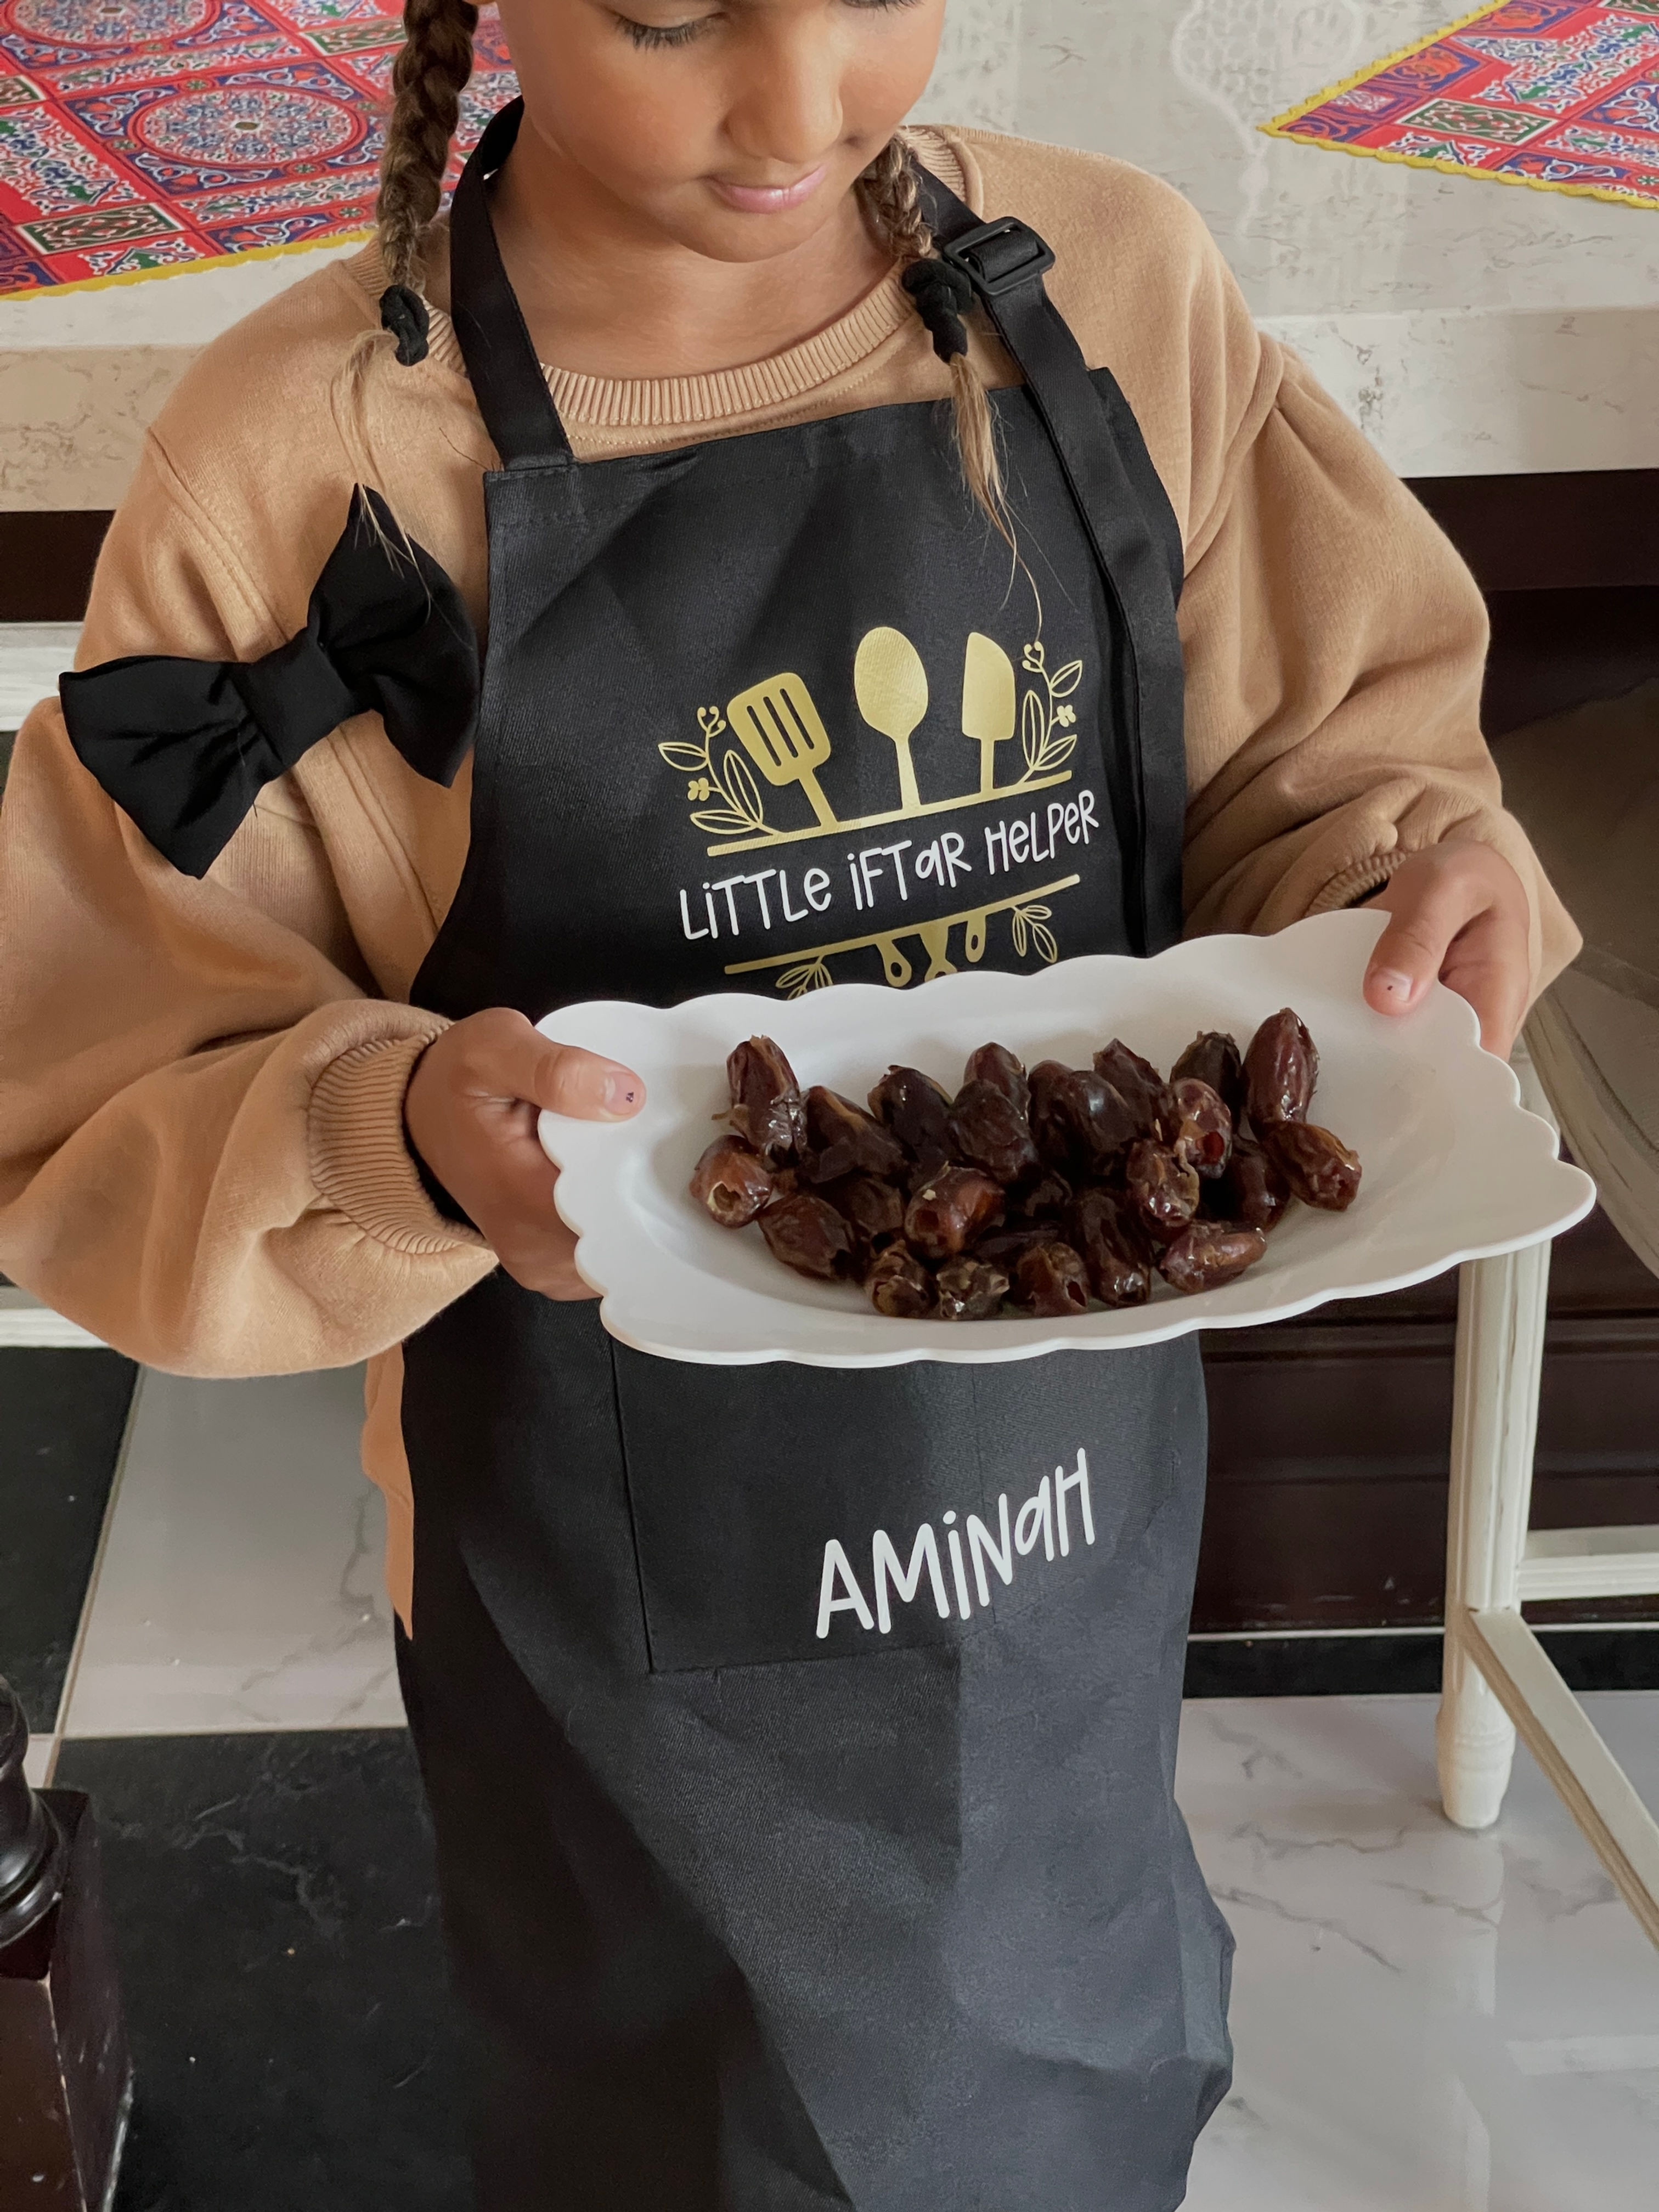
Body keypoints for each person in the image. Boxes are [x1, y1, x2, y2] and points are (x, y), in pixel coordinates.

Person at [0, 0, 1576, 2203]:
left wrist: (1411, 881)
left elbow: (1312, 772)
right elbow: (100, 1094)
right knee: (682, 2126)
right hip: (621, 1600)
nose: (804, 101)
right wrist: (391, 1120)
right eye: (676, 13)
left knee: (1063, 2044)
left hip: (1059, 1525)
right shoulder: (315, 457)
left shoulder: (1103, 289)